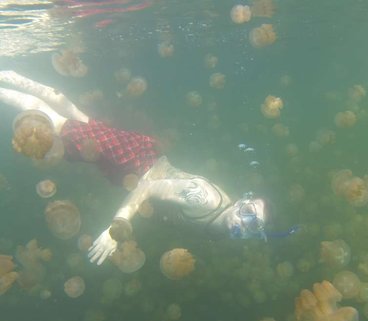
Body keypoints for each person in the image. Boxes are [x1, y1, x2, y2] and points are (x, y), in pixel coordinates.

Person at [0, 70, 270, 265]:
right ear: (240, 204)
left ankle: (13, 77)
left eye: (253, 227)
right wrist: (116, 227)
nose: (245, 223)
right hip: (135, 164)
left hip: (142, 158)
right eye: (248, 213)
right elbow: (149, 187)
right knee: (59, 127)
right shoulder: (205, 199)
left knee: (75, 118)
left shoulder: (221, 218)